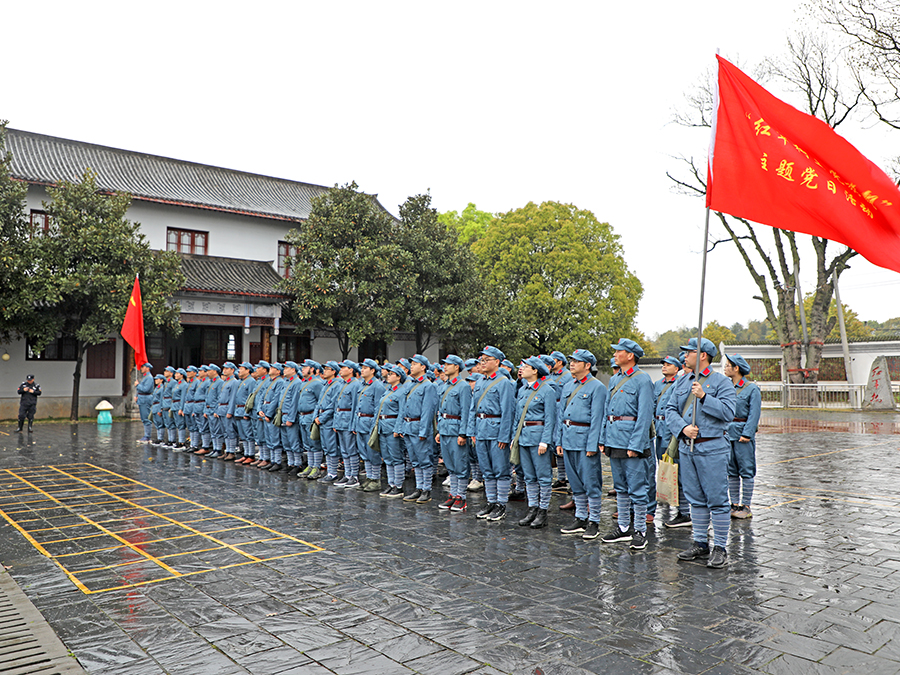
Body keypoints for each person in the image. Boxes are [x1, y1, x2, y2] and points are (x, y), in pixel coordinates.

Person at [666, 337, 736, 569]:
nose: (684, 355)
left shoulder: (720, 382)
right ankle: (700, 543)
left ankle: (720, 547)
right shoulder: (682, 381)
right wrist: (683, 428)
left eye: (689, 352)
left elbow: (728, 412)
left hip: (712, 448)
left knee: (716, 499)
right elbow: (669, 410)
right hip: (688, 447)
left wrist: (705, 398)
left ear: (703, 355)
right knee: (695, 498)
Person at [600, 339, 655, 550]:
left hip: (632, 441)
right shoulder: (615, 379)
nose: (615, 354)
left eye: (618, 351)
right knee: (621, 487)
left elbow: (644, 416)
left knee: (638, 488)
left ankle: (640, 530)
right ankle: (624, 527)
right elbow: (607, 412)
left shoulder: (642, 380)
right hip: (615, 440)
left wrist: (636, 444)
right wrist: (604, 440)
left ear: (630, 355)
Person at [556, 350, 608, 538]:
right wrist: (559, 440)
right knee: (575, 482)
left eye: (576, 361)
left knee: (591, 481)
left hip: (585, 439)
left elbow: (597, 418)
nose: (571, 364)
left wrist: (593, 444)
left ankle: (594, 520)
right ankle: (580, 517)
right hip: (569, 439)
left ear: (587, 365)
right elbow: (561, 415)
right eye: (571, 360)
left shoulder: (597, 387)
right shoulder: (569, 385)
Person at [468, 346, 516, 521]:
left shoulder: (504, 383)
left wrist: (504, 436)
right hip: (481, 430)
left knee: (501, 469)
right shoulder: (480, 381)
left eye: (487, 360)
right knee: (486, 470)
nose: (483, 363)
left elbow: (508, 411)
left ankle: (501, 504)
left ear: (497, 362)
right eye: (482, 360)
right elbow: (473, 408)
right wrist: (471, 431)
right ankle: (491, 501)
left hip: (496, 431)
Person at [514, 357, 556, 529]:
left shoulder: (547, 390)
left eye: (526, 366)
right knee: (529, 476)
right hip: (523, 437)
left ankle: (543, 511)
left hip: (538, 437)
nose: (522, 369)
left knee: (543, 476)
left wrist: (545, 441)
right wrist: (514, 438)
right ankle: (532, 508)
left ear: (535, 371)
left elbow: (550, 418)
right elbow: (518, 418)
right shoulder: (522, 390)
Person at [724, 353, 761, 519]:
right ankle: (734, 504)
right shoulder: (726, 387)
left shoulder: (751, 389)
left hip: (742, 434)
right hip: (728, 433)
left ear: (736, 368)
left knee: (746, 470)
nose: (725, 368)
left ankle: (746, 505)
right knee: (731, 471)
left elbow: (754, 414)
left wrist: (747, 433)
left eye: (727, 365)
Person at [655, 357, 691, 529]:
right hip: (660, 432)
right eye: (663, 364)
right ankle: (671, 502)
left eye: (668, 365)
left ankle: (684, 512)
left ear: (677, 369)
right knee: (665, 470)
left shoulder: (682, 384)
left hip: (673, 433)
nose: (664, 367)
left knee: (679, 474)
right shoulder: (658, 384)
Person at [398, 354, 438, 503]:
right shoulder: (410, 384)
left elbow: (428, 411)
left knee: (424, 460)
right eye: (411, 364)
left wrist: (423, 431)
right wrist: (402, 427)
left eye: (415, 364)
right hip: (409, 426)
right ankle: (419, 487)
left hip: (419, 426)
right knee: (415, 460)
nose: (412, 366)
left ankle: (426, 490)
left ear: (423, 367)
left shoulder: (429, 386)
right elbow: (404, 407)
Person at [436, 355, 471, 512]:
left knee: (460, 464)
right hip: (445, 429)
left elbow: (465, 411)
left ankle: (461, 497)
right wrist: (439, 430)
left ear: (457, 367)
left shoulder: (462, 386)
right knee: (450, 464)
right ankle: (453, 495)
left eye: (448, 364)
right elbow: (440, 410)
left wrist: (463, 433)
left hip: (456, 429)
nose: (445, 367)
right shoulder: (445, 385)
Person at [354, 358, 386, 492]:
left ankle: (375, 479)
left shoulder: (377, 386)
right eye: (362, 368)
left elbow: (378, 408)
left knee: (372, 452)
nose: (362, 370)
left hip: (369, 422)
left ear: (373, 370)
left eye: (365, 368)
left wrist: (374, 426)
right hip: (360, 422)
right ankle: (369, 477)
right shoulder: (362, 385)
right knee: (364, 453)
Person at [379, 364, 408, 497]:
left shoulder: (402, 391)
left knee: (396, 457)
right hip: (383, 426)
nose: (388, 375)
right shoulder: (388, 390)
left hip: (392, 427)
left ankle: (399, 486)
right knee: (387, 458)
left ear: (398, 377)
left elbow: (402, 412)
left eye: (391, 374)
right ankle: (391, 484)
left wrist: (398, 428)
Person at [333, 360, 363, 488]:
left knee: (351, 450)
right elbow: (337, 405)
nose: (341, 370)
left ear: (351, 370)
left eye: (344, 367)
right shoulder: (343, 384)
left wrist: (353, 424)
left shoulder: (355, 384)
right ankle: (347, 474)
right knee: (344, 450)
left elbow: (356, 406)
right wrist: (335, 422)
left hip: (348, 419)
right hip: (340, 419)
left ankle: (354, 476)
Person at [297, 360, 325, 479]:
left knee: (314, 442)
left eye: (305, 367)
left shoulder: (317, 383)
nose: (302, 369)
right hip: (303, 415)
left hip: (310, 415)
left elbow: (320, 401)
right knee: (307, 444)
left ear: (312, 369)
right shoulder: (304, 383)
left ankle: (316, 467)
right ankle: (310, 465)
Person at [316, 361, 343, 483]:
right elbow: (319, 402)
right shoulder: (327, 384)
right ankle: (329, 472)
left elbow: (333, 405)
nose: (324, 371)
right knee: (326, 447)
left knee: (331, 447)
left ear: (333, 371)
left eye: (327, 369)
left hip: (328, 420)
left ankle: (332, 473)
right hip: (321, 418)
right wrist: (316, 416)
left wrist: (321, 418)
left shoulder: (337, 384)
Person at [276, 361, 303, 473]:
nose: (284, 370)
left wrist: (291, 418)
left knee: (293, 441)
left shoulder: (296, 382)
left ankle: (297, 464)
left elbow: (294, 402)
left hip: (289, 417)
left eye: (287, 368)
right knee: (286, 442)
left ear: (293, 370)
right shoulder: (287, 382)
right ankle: (290, 463)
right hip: (283, 415)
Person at [134, 363, 154, 442]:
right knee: (143, 417)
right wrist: (136, 395)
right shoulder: (145, 377)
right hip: (142, 398)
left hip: (146, 399)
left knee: (146, 418)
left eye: (143, 367)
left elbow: (146, 389)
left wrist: (137, 385)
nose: (141, 368)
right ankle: (146, 435)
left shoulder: (149, 377)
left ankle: (147, 436)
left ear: (148, 368)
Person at [171, 368, 188, 448]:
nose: (176, 375)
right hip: (174, 405)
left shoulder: (184, 384)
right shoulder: (177, 384)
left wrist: (181, 408)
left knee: (181, 424)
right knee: (177, 423)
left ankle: (182, 442)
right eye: (175, 373)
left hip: (178, 405)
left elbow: (183, 397)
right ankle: (179, 441)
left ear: (182, 375)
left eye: (178, 374)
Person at [151, 374, 166, 444]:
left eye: (157, 379)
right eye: (155, 379)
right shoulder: (157, 388)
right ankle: (158, 437)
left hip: (158, 405)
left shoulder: (162, 388)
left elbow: (161, 399)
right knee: (156, 423)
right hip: (154, 406)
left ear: (161, 380)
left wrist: (160, 409)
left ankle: (161, 438)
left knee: (160, 423)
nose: (156, 380)